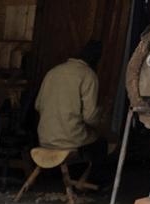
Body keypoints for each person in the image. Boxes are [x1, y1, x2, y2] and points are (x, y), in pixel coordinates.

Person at [34, 40, 109, 182]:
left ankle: (54, 178)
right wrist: (102, 119)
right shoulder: (88, 75)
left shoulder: (53, 72)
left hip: (45, 138)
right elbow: (90, 117)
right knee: (101, 144)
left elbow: (37, 105)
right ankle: (94, 185)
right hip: (69, 140)